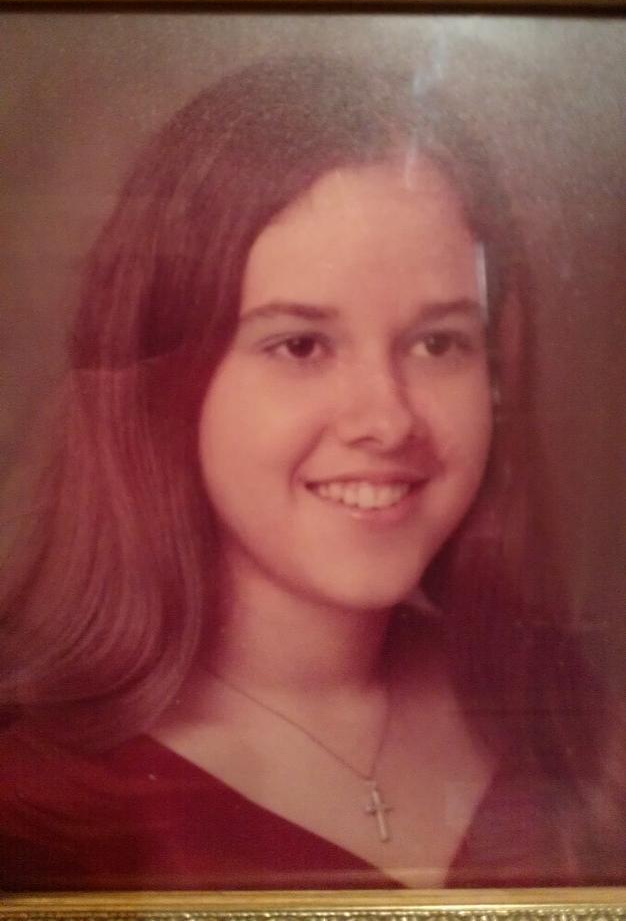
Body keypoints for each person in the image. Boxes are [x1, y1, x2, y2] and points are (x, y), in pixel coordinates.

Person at [0, 54, 623, 892]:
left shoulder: (574, 717)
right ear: (164, 381)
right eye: (300, 345)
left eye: (437, 342)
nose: (387, 418)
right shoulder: (34, 805)